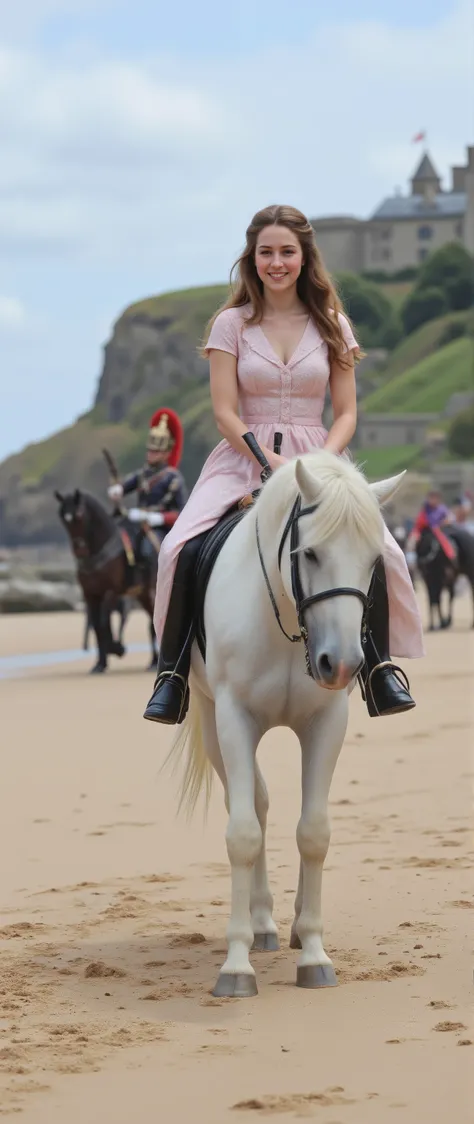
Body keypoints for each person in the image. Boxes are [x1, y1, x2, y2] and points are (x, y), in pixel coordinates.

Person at [143, 204, 424, 726]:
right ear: (253, 258)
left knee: (382, 551)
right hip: (242, 457)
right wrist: (268, 458)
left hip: (320, 457)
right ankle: (173, 675)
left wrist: (319, 461)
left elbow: (346, 413)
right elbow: (225, 410)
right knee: (175, 547)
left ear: (304, 257)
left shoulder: (333, 324)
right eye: (266, 252)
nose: (276, 262)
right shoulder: (231, 324)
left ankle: (380, 669)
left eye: (286, 252)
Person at [107, 408, 187, 565]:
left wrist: (158, 518)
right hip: (137, 523)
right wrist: (118, 489)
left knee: (148, 550)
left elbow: (181, 513)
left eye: (156, 451)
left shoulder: (173, 478)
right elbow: (126, 486)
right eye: (150, 450)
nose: (151, 454)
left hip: (160, 528)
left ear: (166, 453)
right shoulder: (143, 474)